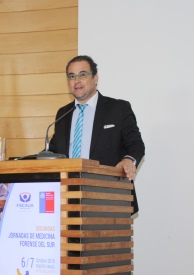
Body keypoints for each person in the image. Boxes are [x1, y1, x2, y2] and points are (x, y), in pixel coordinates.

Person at [48, 55, 145, 213]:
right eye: (72, 76)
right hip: (67, 198)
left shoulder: (118, 109)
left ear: (95, 78)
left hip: (108, 196)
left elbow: (136, 145)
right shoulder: (63, 113)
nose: (77, 80)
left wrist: (129, 160)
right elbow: (54, 151)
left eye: (83, 74)